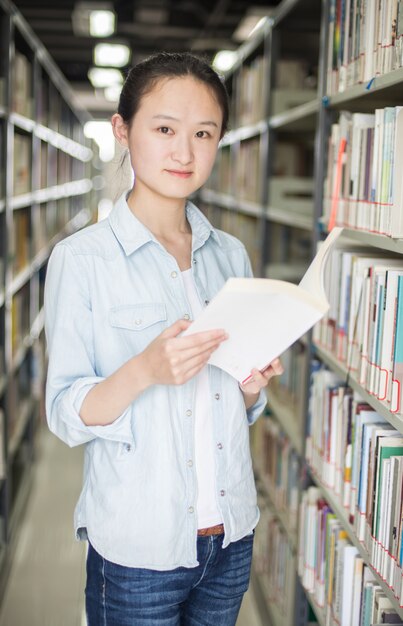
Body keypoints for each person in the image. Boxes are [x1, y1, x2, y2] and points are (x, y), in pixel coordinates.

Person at [44, 51, 283, 626]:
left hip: (229, 537)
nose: (184, 151)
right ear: (123, 131)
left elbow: (231, 403)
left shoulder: (230, 254)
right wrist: (144, 370)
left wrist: (251, 388)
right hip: (138, 550)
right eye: (165, 129)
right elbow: (64, 412)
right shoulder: (82, 260)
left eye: (204, 133)